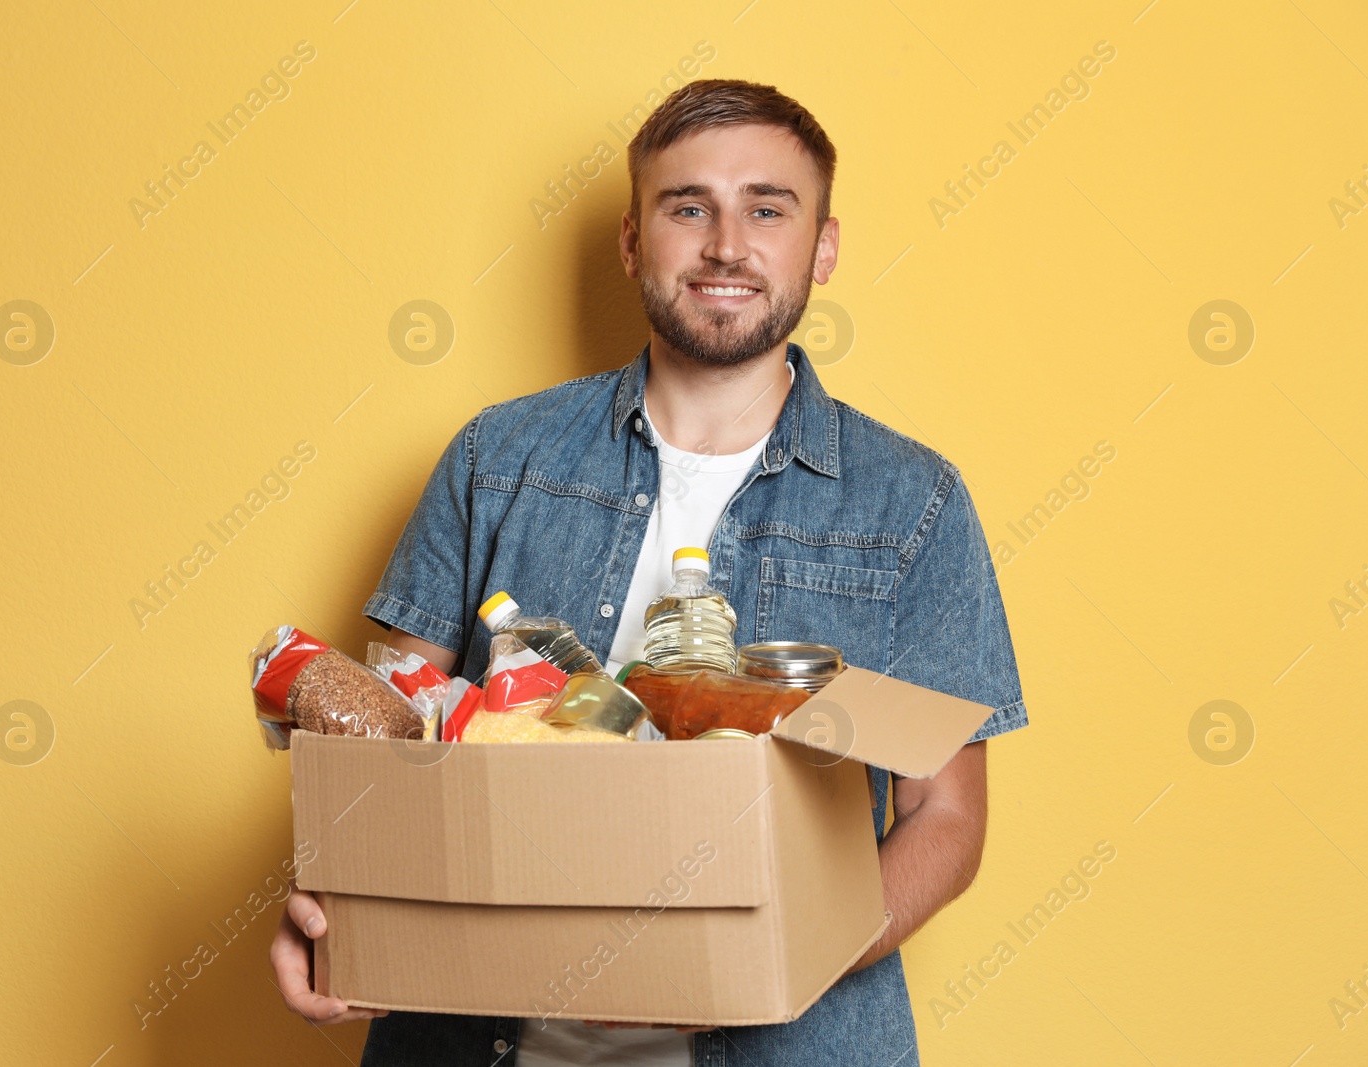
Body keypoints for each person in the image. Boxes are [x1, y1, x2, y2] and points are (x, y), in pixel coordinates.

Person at [270, 77, 1028, 1066]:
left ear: (823, 247)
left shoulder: (907, 502)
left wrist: (770, 954)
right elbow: (384, 744)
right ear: (632, 240)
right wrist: (335, 914)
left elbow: (947, 817)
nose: (725, 245)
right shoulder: (498, 458)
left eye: (766, 208)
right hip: (485, 1036)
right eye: (687, 208)